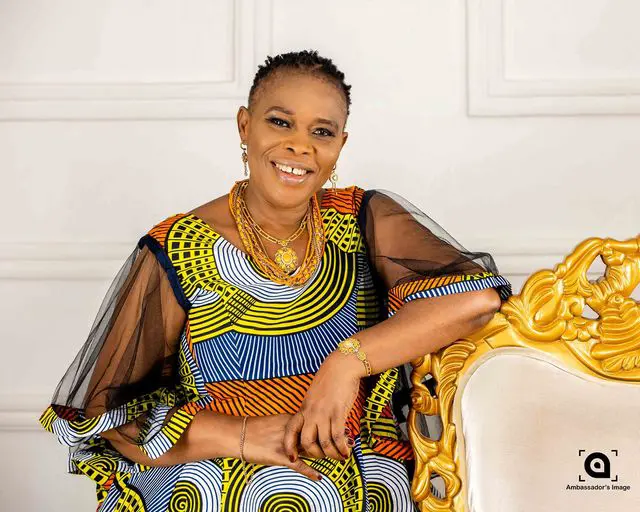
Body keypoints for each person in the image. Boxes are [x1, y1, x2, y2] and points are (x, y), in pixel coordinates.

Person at [39, 50, 512, 511]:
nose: (299, 146)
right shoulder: (178, 248)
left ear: (340, 145)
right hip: (219, 477)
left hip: (364, 474)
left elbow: (476, 299)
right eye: (280, 122)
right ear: (244, 126)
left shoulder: (363, 218)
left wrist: (346, 364)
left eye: (321, 132)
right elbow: (107, 417)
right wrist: (242, 435)